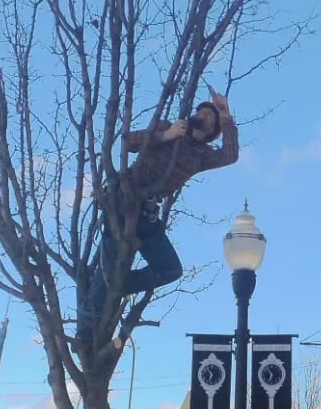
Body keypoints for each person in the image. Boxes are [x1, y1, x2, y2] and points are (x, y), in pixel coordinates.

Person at [76, 88, 238, 343]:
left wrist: (226, 115)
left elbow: (230, 155)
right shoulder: (168, 128)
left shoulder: (201, 155)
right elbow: (129, 141)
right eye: (200, 110)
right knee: (108, 266)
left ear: (211, 130)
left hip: (148, 214)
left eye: (208, 115)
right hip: (123, 202)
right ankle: (86, 334)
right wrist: (166, 135)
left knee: (170, 269)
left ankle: (119, 285)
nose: (201, 114)